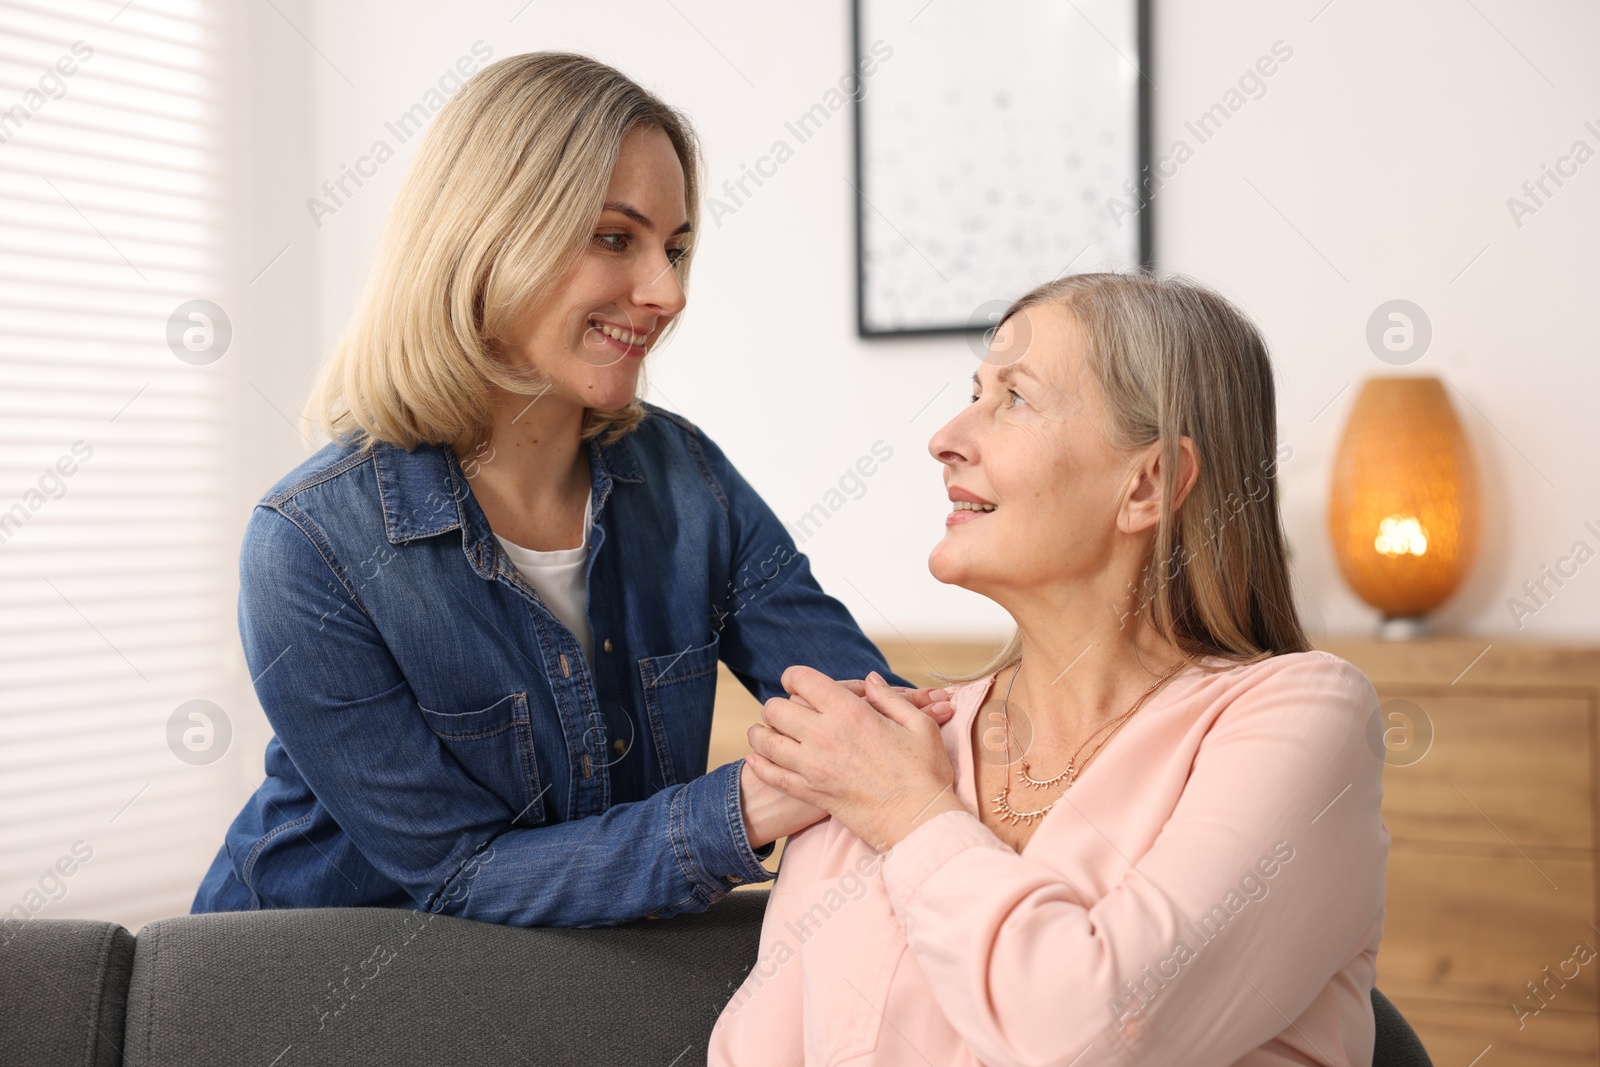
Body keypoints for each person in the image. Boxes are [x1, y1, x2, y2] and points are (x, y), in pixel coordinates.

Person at [190, 52, 944, 928]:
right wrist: (742, 810)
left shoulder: (690, 482)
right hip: (294, 986)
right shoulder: (309, 543)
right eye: (615, 238)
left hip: (570, 984)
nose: (666, 293)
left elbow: (872, 713)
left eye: (677, 248)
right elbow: (460, 876)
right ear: (488, 234)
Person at [711, 273, 1388, 1065]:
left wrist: (909, 811)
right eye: (974, 391)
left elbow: (1098, 1033)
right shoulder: (888, 740)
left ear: (1150, 483)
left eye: (1015, 399)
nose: (947, 437)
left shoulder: (1303, 719)